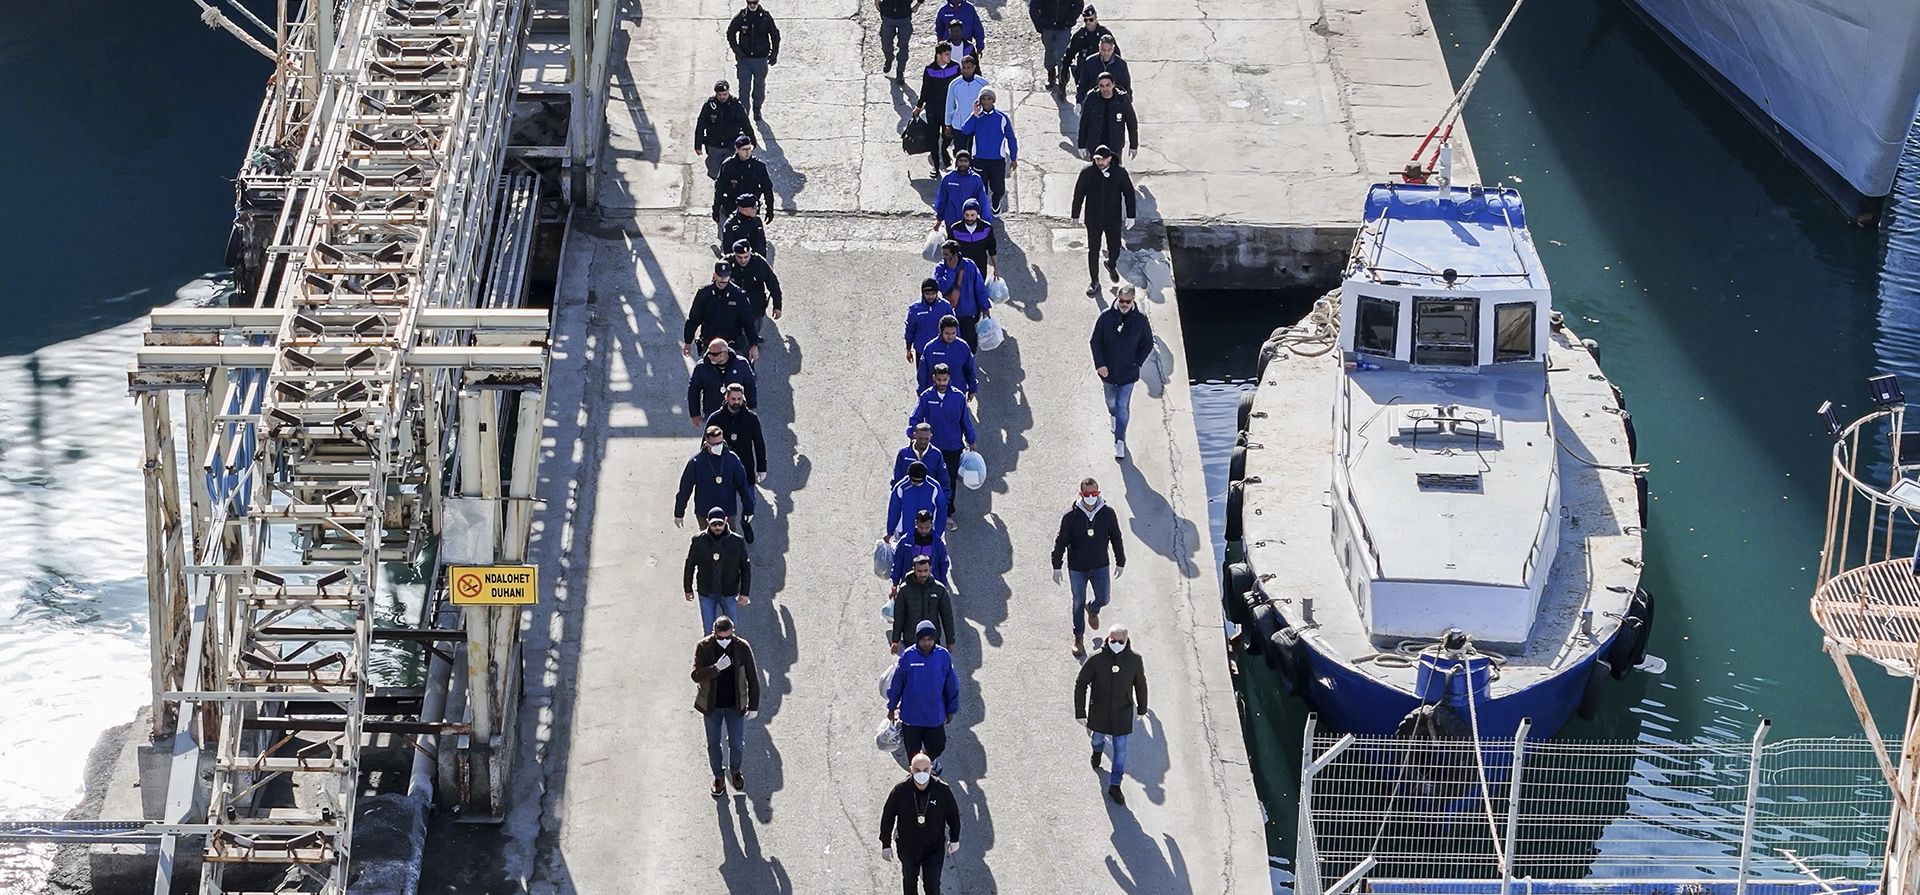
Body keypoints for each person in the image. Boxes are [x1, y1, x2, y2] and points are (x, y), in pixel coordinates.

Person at [1051, 477, 1126, 656]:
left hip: (1100, 564)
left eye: (1094, 494)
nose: (1091, 497)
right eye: (1087, 494)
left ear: (1098, 494)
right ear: (1081, 494)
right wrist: (1057, 565)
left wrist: (1120, 561)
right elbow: (1061, 541)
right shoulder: (1071, 516)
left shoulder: (1107, 513)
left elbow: (1116, 537)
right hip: (1078, 568)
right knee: (1077, 602)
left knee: (1105, 598)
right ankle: (1078, 638)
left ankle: (1092, 608)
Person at [1074, 623, 1147, 804]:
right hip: (1100, 711)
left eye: (1119, 641)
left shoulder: (1134, 660)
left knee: (1120, 750)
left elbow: (1140, 684)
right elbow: (1081, 683)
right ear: (1108, 638)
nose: (1116, 643)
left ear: (1126, 640)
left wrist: (1142, 708)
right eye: (1113, 640)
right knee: (1097, 739)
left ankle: (1115, 785)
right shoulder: (1096, 659)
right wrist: (1080, 712)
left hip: (1122, 714)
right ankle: (1097, 752)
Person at [691, 616, 761, 795]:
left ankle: (735, 771)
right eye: (720, 638)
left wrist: (753, 706)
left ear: (733, 632)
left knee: (737, 744)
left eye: (727, 637)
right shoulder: (703, 647)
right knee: (713, 744)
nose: (724, 641)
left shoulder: (741, 647)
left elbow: (752, 678)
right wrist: (716, 668)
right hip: (711, 706)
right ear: (714, 633)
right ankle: (719, 777)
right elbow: (696, 676)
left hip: (734, 706)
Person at [879, 752, 962, 895]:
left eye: (925, 770)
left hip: (934, 847)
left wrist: (955, 839)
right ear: (911, 769)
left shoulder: (942, 790)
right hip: (907, 847)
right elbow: (888, 816)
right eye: (917, 770)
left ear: (931, 769)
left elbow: (953, 815)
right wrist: (885, 844)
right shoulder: (900, 790)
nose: (921, 773)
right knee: (909, 882)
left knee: (932, 884)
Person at [886, 620, 961, 772]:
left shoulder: (943, 656)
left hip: (934, 717)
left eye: (929, 639)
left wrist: (951, 709)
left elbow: (951, 685)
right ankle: (916, 779)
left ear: (934, 639)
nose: (926, 643)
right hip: (911, 718)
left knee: (938, 746)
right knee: (912, 756)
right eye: (923, 639)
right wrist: (891, 707)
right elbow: (897, 684)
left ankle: (926, 762)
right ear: (917, 639)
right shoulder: (908, 657)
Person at [908, 364, 977, 526]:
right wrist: (913, 434)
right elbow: (915, 418)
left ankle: (946, 513)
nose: (941, 382)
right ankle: (926, 514)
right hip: (931, 448)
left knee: (949, 481)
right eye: (938, 379)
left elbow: (965, 421)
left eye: (944, 379)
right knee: (928, 479)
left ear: (949, 379)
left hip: (953, 447)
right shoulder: (926, 397)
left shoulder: (958, 397)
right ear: (933, 378)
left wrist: (971, 440)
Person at [1090, 284, 1152, 458]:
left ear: (1133, 300)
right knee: (1111, 403)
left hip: (1128, 374)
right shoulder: (1106, 318)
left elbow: (1148, 344)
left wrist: (1137, 362)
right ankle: (1114, 417)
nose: (1124, 304)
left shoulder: (1140, 320)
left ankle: (1120, 440)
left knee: (1122, 405)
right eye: (1121, 300)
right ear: (1117, 298)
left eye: (1128, 301)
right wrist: (1100, 364)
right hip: (1108, 373)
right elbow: (1095, 342)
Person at [1070, 146, 1136, 297]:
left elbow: (1129, 194)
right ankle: (1094, 281)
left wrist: (1131, 215)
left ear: (1110, 159)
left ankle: (1111, 264)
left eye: (1102, 159)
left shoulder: (1119, 173)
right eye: (1097, 159)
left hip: (1112, 219)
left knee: (1115, 249)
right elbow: (1079, 194)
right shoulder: (1087, 173)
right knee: (1093, 250)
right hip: (1093, 220)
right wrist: (1075, 215)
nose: (1099, 162)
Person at [674, 426, 756, 535]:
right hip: (704, 512)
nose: (718, 446)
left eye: (720, 443)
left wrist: (748, 509)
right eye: (714, 444)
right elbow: (685, 488)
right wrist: (679, 512)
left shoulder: (732, 459)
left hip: (728, 511)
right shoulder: (696, 462)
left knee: (730, 542)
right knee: (705, 543)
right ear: (706, 443)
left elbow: (743, 486)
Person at [685, 508, 752, 632]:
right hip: (706, 592)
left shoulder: (737, 541)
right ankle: (709, 652)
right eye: (714, 524)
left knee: (731, 628)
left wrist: (744, 593)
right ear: (707, 522)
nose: (717, 527)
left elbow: (745, 568)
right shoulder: (698, 541)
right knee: (708, 630)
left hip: (729, 592)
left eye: (720, 524)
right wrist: (688, 588)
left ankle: (729, 651)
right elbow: (690, 564)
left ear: (726, 520)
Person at [958, 88, 1017, 214]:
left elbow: (1011, 138)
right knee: (980, 188)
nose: (986, 102)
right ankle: (980, 211)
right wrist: (974, 114)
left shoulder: (1002, 118)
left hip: (997, 161)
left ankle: (996, 204)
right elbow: (965, 130)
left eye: (989, 99)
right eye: (983, 99)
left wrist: (1013, 157)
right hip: (979, 160)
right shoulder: (976, 117)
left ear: (993, 100)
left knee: (999, 189)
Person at [890, 553, 958, 652]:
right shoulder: (904, 590)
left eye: (925, 571)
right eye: (919, 571)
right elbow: (899, 617)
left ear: (930, 568)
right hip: (911, 641)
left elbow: (947, 617)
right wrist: (895, 640)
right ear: (913, 569)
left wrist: (950, 641)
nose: (923, 574)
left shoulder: (939, 589)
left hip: (932, 641)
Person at [932, 241, 991, 350]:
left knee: (970, 346)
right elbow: (942, 287)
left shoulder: (969, 265)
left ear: (954, 254)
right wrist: (950, 270)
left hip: (967, 314)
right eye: (943, 254)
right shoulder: (940, 268)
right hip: (949, 313)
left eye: (946, 254)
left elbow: (979, 287)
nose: (943, 257)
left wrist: (985, 307)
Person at [727, 0, 781, 119]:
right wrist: (737, 50)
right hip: (744, 59)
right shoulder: (742, 17)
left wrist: (774, 53)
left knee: (759, 86)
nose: (752, 5)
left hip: (760, 59)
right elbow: (730, 33)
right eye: (750, 3)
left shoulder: (765, 18)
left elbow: (775, 35)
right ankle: (744, 111)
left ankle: (757, 109)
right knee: (744, 88)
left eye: (754, 3)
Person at [687, 337, 757, 425]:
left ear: (724, 353)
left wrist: (752, 408)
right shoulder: (702, 367)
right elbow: (693, 390)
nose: (710, 356)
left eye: (714, 354)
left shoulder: (741, 364)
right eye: (709, 353)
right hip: (712, 414)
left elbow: (750, 386)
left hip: (737, 412)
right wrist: (695, 413)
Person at [713, 135, 775, 236]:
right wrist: (715, 208)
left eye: (749, 149)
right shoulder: (728, 166)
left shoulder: (758, 167)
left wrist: (770, 210)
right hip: (731, 206)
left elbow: (767, 189)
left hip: (751, 208)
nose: (747, 152)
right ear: (737, 150)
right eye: (744, 149)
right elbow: (719, 188)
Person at [706, 383, 767, 483]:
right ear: (726, 398)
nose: (736, 402)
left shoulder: (751, 418)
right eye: (733, 399)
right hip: (721, 470)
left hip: (745, 469)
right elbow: (705, 443)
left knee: (749, 498)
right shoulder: (715, 418)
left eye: (739, 399)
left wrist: (762, 468)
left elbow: (759, 444)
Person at [914, 43, 960, 176]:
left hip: (948, 109)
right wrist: (919, 106)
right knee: (932, 138)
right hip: (932, 110)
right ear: (939, 55)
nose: (949, 57)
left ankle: (944, 152)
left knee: (948, 135)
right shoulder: (930, 69)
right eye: (946, 54)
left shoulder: (955, 67)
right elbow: (925, 89)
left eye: (949, 54)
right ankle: (936, 165)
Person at [694, 80, 752, 179]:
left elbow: (746, 124)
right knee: (713, 170)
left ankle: (725, 187)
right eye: (719, 94)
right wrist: (697, 145)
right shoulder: (709, 106)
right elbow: (700, 125)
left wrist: (752, 141)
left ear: (728, 91)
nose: (722, 97)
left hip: (731, 145)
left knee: (730, 171)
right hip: (714, 145)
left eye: (725, 94)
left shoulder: (736, 106)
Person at [1077, 73, 1138, 162]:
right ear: (1098, 86)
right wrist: (1081, 145)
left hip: (1115, 144)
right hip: (1095, 143)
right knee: (1096, 172)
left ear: (1113, 84)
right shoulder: (1091, 98)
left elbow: (1131, 123)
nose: (1105, 89)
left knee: (1115, 172)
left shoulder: (1122, 99)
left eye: (1108, 85)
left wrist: (1133, 145)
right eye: (1102, 86)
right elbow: (1084, 122)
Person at [891, 508, 953, 590]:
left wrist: (942, 585)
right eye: (921, 527)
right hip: (909, 585)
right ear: (916, 523)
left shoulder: (938, 543)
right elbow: (897, 562)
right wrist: (895, 584)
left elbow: (943, 563)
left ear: (932, 524)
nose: (924, 531)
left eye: (927, 527)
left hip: (931, 586)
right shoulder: (905, 541)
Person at [726, 239, 782, 326]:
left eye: (746, 257)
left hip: (754, 309)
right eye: (739, 257)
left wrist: (777, 306)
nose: (743, 260)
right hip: (731, 309)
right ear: (734, 254)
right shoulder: (727, 263)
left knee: (753, 336)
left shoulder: (759, 263)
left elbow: (773, 284)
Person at [1029, 0, 1081, 93]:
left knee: (1063, 54)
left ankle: (1063, 80)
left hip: (1064, 27)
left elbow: (1078, 4)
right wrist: (1039, 24)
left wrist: (1070, 20)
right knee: (1049, 51)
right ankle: (1051, 73)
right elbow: (1033, 7)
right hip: (1047, 27)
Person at [918, 316, 977, 397]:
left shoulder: (963, 347)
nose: (950, 336)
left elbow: (970, 370)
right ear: (940, 331)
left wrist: (972, 389)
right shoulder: (930, 348)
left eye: (953, 333)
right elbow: (923, 373)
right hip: (934, 395)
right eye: (947, 333)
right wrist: (921, 393)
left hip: (957, 394)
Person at [887, 460, 947, 539]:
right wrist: (890, 531)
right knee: (905, 551)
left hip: (927, 533)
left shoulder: (934, 487)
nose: (917, 483)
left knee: (926, 551)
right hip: (905, 533)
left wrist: (938, 534)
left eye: (920, 481)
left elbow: (941, 511)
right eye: (914, 481)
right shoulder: (901, 487)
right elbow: (894, 510)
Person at [942, 56, 988, 159]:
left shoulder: (983, 83)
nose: (966, 70)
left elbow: (988, 104)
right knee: (960, 153)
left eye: (969, 68)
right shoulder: (954, 84)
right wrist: (948, 124)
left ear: (974, 67)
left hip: (977, 124)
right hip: (959, 125)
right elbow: (950, 105)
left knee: (975, 153)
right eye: (964, 67)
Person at [932, 151, 993, 227]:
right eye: (960, 161)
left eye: (965, 161)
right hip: (951, 221)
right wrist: (939, 220)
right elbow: (941, 199)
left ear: (969, 162)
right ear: (956, 162)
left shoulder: (975, 179)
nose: (963, 164)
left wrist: (986, 221)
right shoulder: (948, 178)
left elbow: (983, 200)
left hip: (969, 221)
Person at [1064, 6, 1115, 96]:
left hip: (1101, 76)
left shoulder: (1104, 34)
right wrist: (1064, 69)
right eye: (1086, 20)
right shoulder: (1080, 35)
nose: (1088, 23)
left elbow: (1116, 55)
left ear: (1096, 19)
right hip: (1084, 76)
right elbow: (1070, 52)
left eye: (1091, 20)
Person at [905, 279, 957, 363]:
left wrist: (956, 348)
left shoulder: (945, 307)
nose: (930, 297)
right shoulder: (915, 309)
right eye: (927, 294)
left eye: (933, 293)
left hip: (942, 349)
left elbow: (955, 328)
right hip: (922, 351)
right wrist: (908, 348)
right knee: (922, 375)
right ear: (922, 293)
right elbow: (910, 329)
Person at [945, 199, 997, 279]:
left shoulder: (987, 228)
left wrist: (996, 268)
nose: (969, 218)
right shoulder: (955, 229)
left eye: (972, 215)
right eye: (967, 215)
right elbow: (949, 251)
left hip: (980, 268)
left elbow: (992, 250)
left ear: (977, 214)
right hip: (961, 268)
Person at [893, 423, 950, 492]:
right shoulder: (903, 453)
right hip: (907, 497)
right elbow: (897, 478)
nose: (923, 442)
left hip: (928, 498)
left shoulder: (936, 455)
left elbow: (944, 481)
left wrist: (944, 501)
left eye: (926, 439)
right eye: (920, 438)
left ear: (931, 437)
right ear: (914, 435)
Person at [875, 0, 923, 82]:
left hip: (904, 16)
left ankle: (900, 72)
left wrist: (918, 4)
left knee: (903, 46)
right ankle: (889, 58)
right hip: (887, 15)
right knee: (886, 43)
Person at [1074, 34, 1129, 99]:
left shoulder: (1121, 65)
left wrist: (1127, 102)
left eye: (1109, 50)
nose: (1106, 53)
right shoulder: (1089, 62)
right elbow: (1082, 84)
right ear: (1099, 47)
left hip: (1115, 102)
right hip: (1093, 101)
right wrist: (1079, 102)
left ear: (1113, 48)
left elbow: (1126, 87)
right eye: (1103, 50)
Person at [720, 194, 769, 260]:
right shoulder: (730, 225)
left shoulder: (757, 220)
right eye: (754, 207)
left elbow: (762, 243)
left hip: (757, 262)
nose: (756, 209)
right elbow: (729, 251)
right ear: (742, 209)